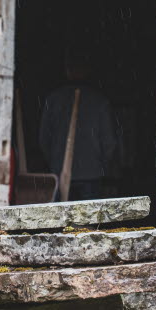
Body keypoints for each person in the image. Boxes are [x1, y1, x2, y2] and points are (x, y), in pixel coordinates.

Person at [38, 48, 118, 200]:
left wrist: (55, 160)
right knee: (88, 216)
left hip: (61, 171)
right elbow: (109, 143)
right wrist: (100, 166)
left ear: (67, 70)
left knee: (61, 214)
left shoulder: (54, 100)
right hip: (90, 173)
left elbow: (44, 139)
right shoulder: (99, 102)